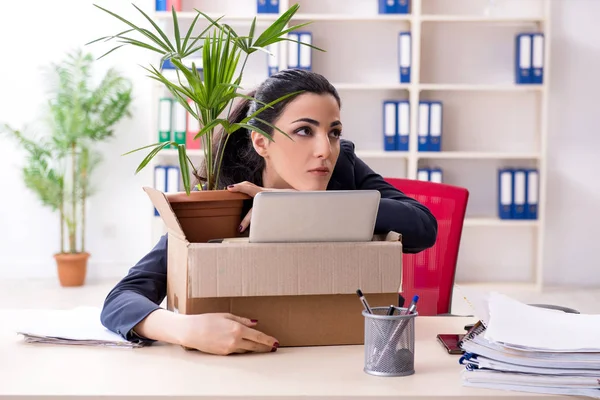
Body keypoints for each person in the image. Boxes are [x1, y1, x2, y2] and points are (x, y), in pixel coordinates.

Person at [100, 69, 438, 356]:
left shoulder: (342, 168)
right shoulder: (228, 194)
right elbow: (121, 300)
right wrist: (184, 329)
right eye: (304, 131)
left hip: (344, 351)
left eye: (333, 132)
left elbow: (422, 226)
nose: (325, 150)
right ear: (261, 142)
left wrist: (301, 207)